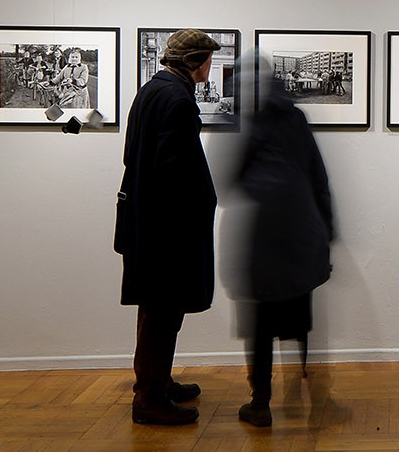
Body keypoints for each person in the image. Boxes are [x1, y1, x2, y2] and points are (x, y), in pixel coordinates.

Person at [115, 28, 221, 426]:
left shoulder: (156, 89)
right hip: (166, 227)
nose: (210, 64)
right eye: (208, 57)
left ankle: (156, 382)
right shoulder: (177, 98)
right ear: (197, 60)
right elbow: (174, 171)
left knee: (157, 308)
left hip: (148, 219)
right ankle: (149, 399)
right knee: (162, 309)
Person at [226, 55, 335, 428]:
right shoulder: (295, 118)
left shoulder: (247, 123)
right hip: (300, 228)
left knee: (260, 318)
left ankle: (260, 402)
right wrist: (327, 228)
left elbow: (230, 181)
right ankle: (302, 379)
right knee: (296, 305)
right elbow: (317, 175)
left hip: (265, 232)